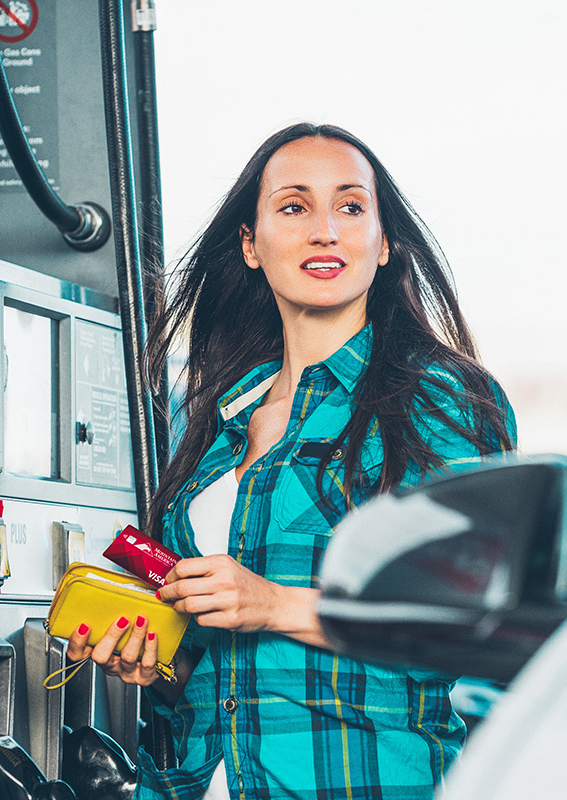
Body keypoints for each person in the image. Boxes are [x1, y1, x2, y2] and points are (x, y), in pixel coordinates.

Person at [66, 122, 516, 800]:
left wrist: (272, 604)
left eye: (351, 206)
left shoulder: (439, 399)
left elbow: (470, 617)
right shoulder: (219, 425)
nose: (325, 230)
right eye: (294, 206)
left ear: (384, 241)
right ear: (251, 244)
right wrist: (153, 661)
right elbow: (226, 673)